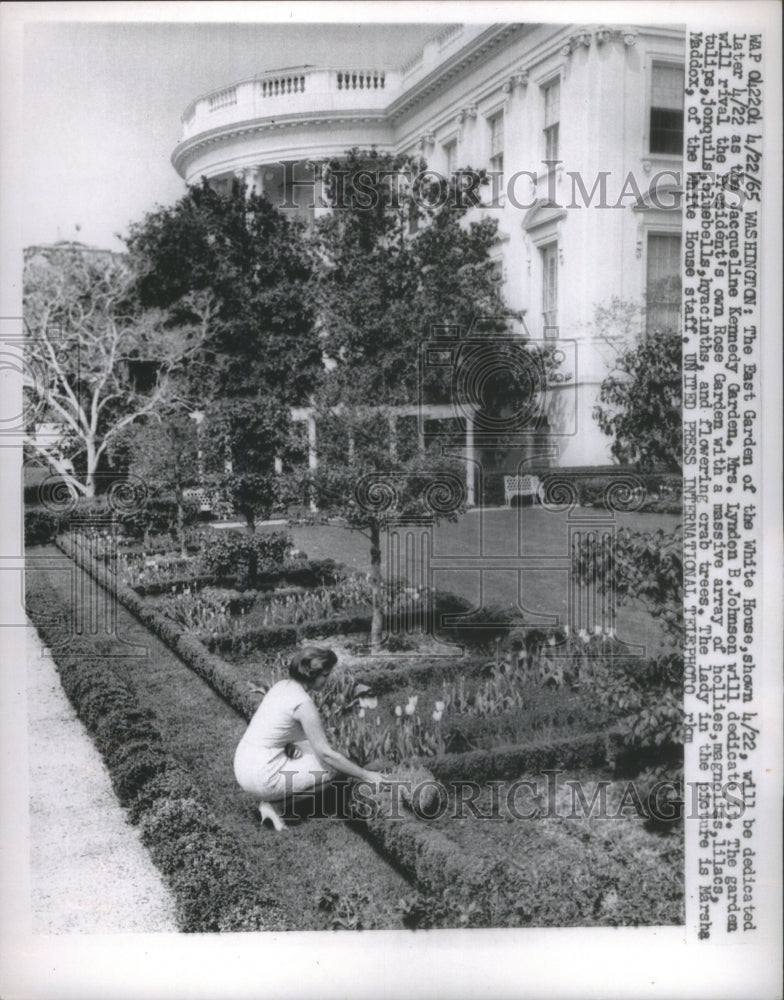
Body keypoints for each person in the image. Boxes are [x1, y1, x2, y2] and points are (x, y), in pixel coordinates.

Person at [233, 646, 387, 831]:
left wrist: (289, 745)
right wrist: (365, 774)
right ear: (312, 675)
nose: (327, 679)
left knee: (311, 749)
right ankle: (277, 804)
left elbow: (273, 729)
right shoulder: (303, 704)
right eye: (325, 675)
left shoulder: (281, 686)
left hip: (242, 763)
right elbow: (326, 754)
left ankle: (273, 799)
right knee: (333, 769)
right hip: (261, 776)